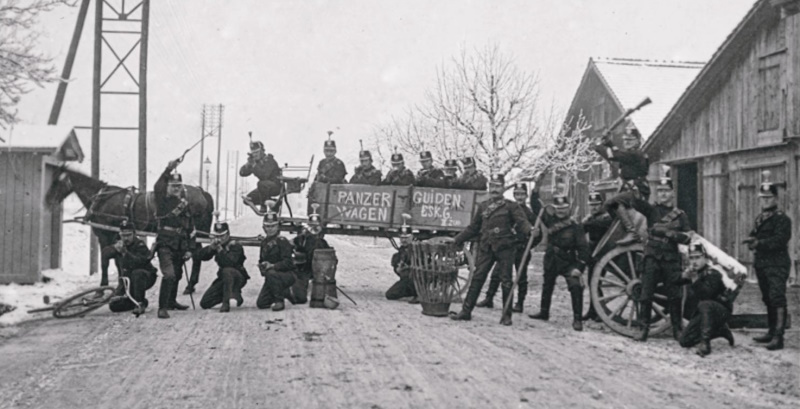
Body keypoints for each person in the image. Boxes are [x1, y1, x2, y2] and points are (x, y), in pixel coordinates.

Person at [449, 173, 532, 326]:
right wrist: (458, 239)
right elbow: (473, 228)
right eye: (492, 186)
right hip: (486, 247)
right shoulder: (483, 206)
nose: (494, 189)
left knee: (506, 281)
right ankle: (466, 312)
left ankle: (506, 316)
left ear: (503, 188)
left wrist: (530, 230)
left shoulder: (511, 206)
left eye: (497, 186)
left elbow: (522, 222)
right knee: (477, 278)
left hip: (505, 248)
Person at [629, 173, 691, 341]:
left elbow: (688, 237)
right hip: (652, 257)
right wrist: (636, 187)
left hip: (671, 259)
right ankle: (643, 329)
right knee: (646, 294)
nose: (663, 194)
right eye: (660, 191)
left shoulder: (681, 215)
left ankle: (677, 329)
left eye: (666, 191)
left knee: (675, 295)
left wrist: (670, 234)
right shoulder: (652, 210)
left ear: (672, 193)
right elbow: (635, 203)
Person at [528, 185, 591, 331]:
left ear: (568, 208)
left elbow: (583, 248)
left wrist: (580, 267)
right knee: (547, 285)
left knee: (576, 286)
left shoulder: (576, 226)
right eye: (558, 208)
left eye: (564, 208)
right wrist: (536, 190)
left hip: (569, 262)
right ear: (555, 209)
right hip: (551, 260)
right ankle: (544, 312)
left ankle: (577, 319)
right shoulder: (550, 220)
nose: (561, 211)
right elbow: (536, 207)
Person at [745, 171, 792, 351]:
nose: (765, 201)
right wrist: (751, 240)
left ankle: (779, 337)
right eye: (762, 198)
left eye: (768, 198)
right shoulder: (760, 218)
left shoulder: (782, 219)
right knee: (767, 298)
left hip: (777, 264)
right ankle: (771, 332)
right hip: (762, 264)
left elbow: (780, 240)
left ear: (776, 199)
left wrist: (759, 243)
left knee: (777, 297)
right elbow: (754, 234)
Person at [476, 183, 540, 312]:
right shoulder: (508, 208)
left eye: (522, 194)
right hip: (507, 247)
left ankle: (520, 303)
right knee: (496, 274)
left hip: (521, 249)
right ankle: (489, 298)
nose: (519, 197)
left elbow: (538, 235)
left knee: (521, 277)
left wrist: (528, 245)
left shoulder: (529, 214)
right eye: (517, 194)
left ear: (526, 196)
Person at [677, 242, 738, 357]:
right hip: (705, 314)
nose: (694, 261)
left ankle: (705, 343)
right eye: (691, 258)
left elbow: (706, 295)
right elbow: (675, 281)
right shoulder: (694, 272)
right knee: (684, 341)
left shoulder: (713, 273)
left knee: (705, 304)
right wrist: (682, 276)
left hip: (721, 311)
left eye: (697, 257)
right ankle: (720, 331)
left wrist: (694, 279)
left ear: (705, 258)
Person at [593, 124, 650, 245]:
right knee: (612, 204)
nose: (627, 142)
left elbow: (614, 155)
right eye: (625, 140)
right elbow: (616, 153)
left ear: (638, 141)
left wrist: (600, 145)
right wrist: (607, 143)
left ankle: (632, 232)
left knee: (611, 202)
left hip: (638, 192)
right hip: (629, 191)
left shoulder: (636, 154)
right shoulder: (629, 155)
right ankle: (623, 228)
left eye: (630, 140)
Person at [154, 159, 195, 319]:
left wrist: (190, 249)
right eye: (173, 186)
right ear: (168, 187)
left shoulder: (184, 204)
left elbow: (191, 228)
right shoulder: (162, 201)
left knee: (177, 274)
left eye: (179, 186)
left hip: (180, 245)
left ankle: (171, 302)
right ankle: (162, 308)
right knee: (169, 275)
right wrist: (168, 169)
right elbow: (158, 187)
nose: (176, 188)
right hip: (165, 244)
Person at [103, 220, 157, 315]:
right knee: (114, 305)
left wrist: (126, 253)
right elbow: (105, 254)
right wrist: (113, 249)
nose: (126, 238)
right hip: (128, 279)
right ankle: (135, 301)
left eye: (128, 235)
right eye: (123, 235)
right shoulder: (120, 244)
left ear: (134, 234)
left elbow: (141, 262)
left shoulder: (140, 245)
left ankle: (140, 303)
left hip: (146, 276)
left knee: (137, 273)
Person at [197, 221, 249, 313]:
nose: (219, 239)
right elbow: (201, 256)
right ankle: (233, 293)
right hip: (224, 279)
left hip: (238, 277)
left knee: (227, 270)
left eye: (222, 236)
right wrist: (211, 248)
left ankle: (226, 303)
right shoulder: (217, 245)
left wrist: (221, 251)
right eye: (217, 236)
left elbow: (230, 262)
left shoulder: (235, 245)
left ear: (228, 234)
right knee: (205, 303)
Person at [256, 204, 297, 311]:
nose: (270, 229)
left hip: (287, 275)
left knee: (271, 273)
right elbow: (262, 259)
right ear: (263, 228)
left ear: (278, 227)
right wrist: (262, 266)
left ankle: (279, 301)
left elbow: (288, 263)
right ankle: (285, 291)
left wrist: (272, 266)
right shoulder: (264, 243)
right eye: (267, 226)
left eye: (273, 226)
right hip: (272, 277)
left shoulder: (282, 241)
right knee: (261, 303)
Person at [581, 190, 613, 321]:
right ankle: (592, 310)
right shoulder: (591, 218)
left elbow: (596, 224)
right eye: (591, 205)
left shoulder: (606, 218)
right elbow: (581, 230)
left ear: (602, 205)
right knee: (591, 282)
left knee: (596, 282)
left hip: (602, 253)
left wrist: (585, 222)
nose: (594, 207)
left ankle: (599, 312)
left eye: (596, 204)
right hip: (592, 253)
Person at [291, 205, 330, 304]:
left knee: (319, 296)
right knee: (300, 298)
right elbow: (289, 246)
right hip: (303, 271)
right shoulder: (301, 239)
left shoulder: (323, 243)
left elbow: (331, 259)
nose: (314, 229)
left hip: (319, 273)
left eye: (316, 226)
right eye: (312, 226)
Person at [240, 140, 283, 212]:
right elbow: (242, 173)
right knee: (248, 200)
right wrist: (248, 164)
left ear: (262, 151)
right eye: (253, 153)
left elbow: (264, 176)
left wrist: (254, 165)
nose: (255, 155)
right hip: (263, 189)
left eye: (257, 152)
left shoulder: (269, 160)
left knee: (261, 184)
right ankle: (275, 203)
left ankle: (264, 206)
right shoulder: (256, 163)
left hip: (275, 187)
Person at [385, 222, 417, 301]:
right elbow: (398, 268)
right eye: (402, 238)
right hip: (406, 280)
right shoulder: (401, 251)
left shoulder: (418, 249)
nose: (404, 240)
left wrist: (410, 268)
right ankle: (412, 293)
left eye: (406, 238)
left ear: (412, 237)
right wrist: (398, 269)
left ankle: (418, 293)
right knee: (390, 294)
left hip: (418, 280)